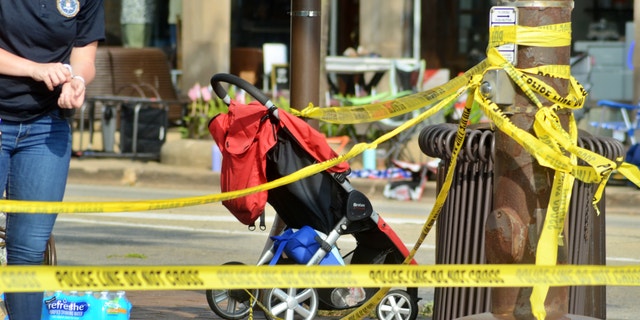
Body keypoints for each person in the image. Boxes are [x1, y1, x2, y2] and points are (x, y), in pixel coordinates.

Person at [0, 1, 105, 319]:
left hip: (46, 124)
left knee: (29, 249)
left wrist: (76, 81)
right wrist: (35, 68)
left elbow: (85, 58)